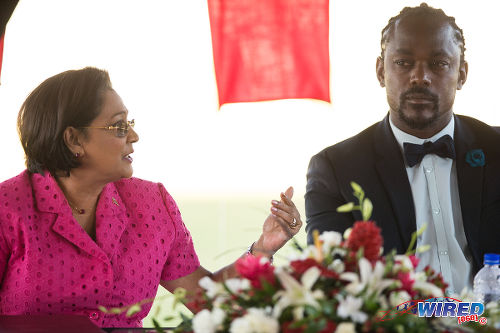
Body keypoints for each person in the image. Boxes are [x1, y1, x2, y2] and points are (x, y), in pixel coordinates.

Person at [0, 67, 303, 327]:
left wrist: (263, 248)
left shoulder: (151, 203)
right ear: (74, 139)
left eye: (129, 124)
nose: (133, 136)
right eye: (119, 126)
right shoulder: (7, 208)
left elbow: (207, 301)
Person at [305, 3, 500, 295]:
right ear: (381, 71)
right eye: (403, 63)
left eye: (439, 64)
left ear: (462, 74)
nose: (419, 76)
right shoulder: (335, 169)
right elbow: (333, 284)